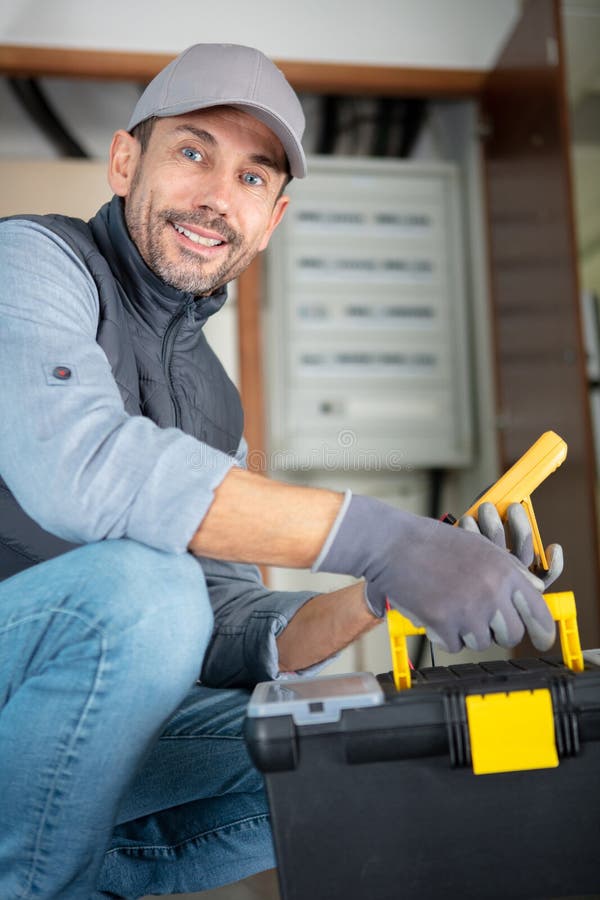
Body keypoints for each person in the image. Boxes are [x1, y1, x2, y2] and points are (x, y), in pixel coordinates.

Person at [0, 43, 563, 899]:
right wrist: (382, 537)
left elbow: (226, 627)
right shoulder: (32, 265)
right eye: (192, 152)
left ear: (273, 218)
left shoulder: (212, 400)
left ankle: (68, 872)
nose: (218, 197)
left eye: (253, 179)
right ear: (125, 161)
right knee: (143, 591)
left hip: (50, 754)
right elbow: (84, 469)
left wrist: (390, 587)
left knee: (348, 743)